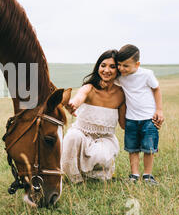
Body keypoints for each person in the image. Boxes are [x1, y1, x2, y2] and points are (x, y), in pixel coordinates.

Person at [61, 50, 126, 183]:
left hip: (104, 139)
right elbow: (78, 99)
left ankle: (95, 176)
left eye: (112, 67)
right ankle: (73, 178)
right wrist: (71, 105)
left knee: (101, 156)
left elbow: (124, 124)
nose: (106, 70)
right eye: (103, 65)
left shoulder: (121, 94)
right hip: (82, 134)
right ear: (98, 67)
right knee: (72, 137)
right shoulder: (89, 88)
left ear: (118, 70)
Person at [116, 44, 164, 185]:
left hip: (149, 118)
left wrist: (159, 110)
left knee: (149, 149)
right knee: (133, 149)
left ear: (137, 64)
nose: (121, 69)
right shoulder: (121, 77)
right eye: (119, 65)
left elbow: (156, 89)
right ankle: (134, 175)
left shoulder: (146, 74)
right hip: (131, 119)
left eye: (126, 66)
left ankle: (148, 175)